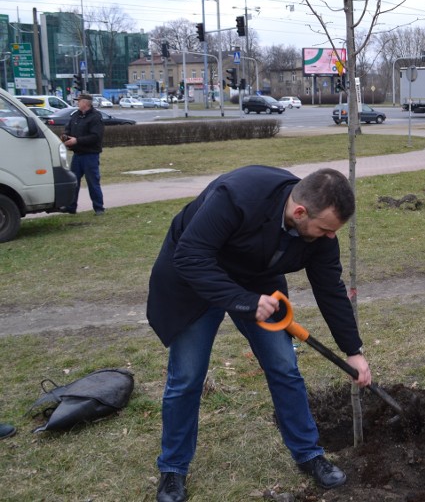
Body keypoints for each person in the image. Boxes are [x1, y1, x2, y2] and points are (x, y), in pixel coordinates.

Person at [147, 166, 372, 501]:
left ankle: (309, 454)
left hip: (258, 282)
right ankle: (173, 468)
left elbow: (330, 289)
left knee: (284, 366)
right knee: (187, 377)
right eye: (324, 228)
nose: (329, 237)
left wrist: (353, 349)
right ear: (300, 211)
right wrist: (242, 301)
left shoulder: (321, 234)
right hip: (196, 279)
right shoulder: (237, 196)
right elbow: (191, 256)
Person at [61, 92, 105, 215]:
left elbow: (96, 137)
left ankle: (99, 208)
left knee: (93, 182)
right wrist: (65, 136)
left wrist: (77, 140)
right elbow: (68, 128)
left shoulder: (95, 117)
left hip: (90, 155)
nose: (77, 103)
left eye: (79, 101)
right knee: (74, 182)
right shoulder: (75, 116)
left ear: (85, 103)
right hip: (77, 154)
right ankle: (71, 206)